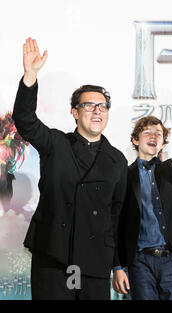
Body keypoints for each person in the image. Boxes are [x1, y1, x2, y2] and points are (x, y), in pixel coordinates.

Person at [12, 38, 128, 299]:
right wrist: (30, 76)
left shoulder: (117, 160)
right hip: (54, 253)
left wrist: (118, 264)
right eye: (89, 105)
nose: (97, 111)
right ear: (75, 112)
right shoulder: (56, 143)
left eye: (103, 106)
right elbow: (25, 120)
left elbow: (115, 216)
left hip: (95, 258)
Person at [112, 107, 172, 300]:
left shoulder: (170, 168)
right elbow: (116, 224)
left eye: (159, 134)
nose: (153, 136)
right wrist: (117, 267)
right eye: (147, 132)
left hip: (170, 257)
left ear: (163, 144)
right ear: (135, 140)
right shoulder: (123, 176)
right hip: (139, 260)